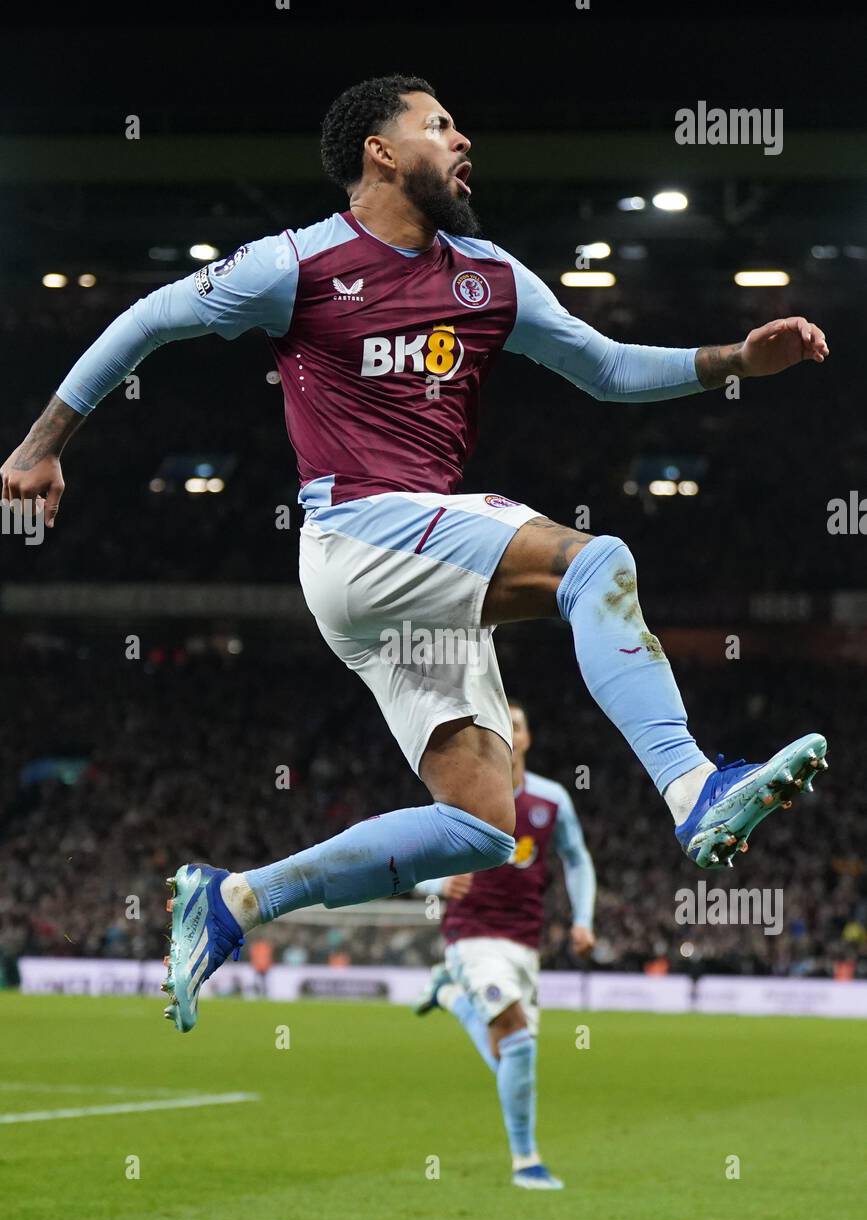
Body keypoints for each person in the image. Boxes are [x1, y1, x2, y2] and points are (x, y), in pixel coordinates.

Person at [1, 74, 828, 1035]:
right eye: (439, 126)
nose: (462, 140)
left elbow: (603, 367)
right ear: (380, 152)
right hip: (357, 530)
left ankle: (232, 902)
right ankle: (694, 790)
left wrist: (733, 361)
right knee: (594, 563)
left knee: (481, 825)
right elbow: (149, 319)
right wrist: (42, 440)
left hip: (404, 577)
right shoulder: (297, 263)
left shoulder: (489, 276)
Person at [414, 699, 596, 1189]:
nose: (509, 732)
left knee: (512, 1053)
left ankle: (449, 995)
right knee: (516, 1040)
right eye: (501, 724)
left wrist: (582, 919)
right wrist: (436, 886)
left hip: (524, 942)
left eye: (517, 724)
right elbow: (414, 854)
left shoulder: (552, 800)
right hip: (469, 936)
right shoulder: (462, 794)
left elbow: (576, 860)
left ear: (527, 737)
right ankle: (526, 1161)